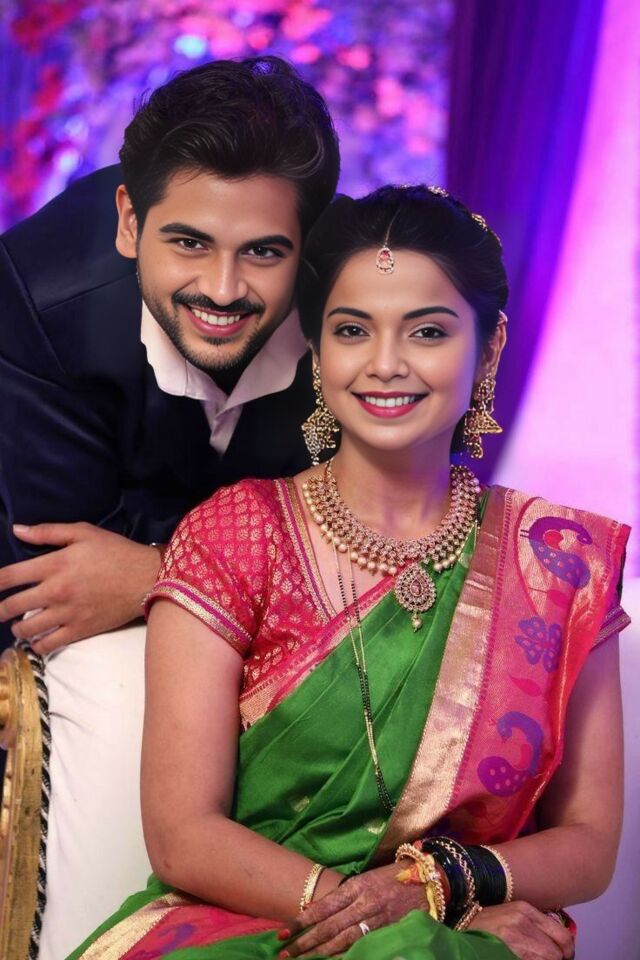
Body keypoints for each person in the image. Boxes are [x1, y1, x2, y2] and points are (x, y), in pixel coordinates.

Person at [67, 185, 629, 960]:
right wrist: (386, 917)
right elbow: (183, 834)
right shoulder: (238, 535)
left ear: (490, 347)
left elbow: (590, 843)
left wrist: (439, 893)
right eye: (352, 330)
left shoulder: (560, 561)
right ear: (316, 347)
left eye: (427, 331)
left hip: (471, 931)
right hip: (254, 925)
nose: (385, 364)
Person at [0, 55, 339, 655]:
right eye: (189, 243)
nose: (223, 290)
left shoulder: (367, 308)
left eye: (262, 252)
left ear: (308, 247)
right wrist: (271, 553)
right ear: (130, 224)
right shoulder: (39, 298)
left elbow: (379, 542)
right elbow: (63, 578)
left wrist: (155, 570)